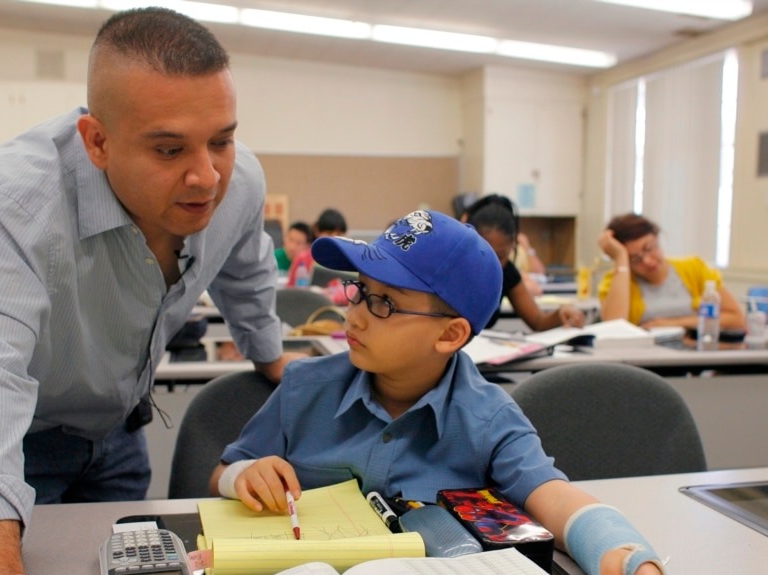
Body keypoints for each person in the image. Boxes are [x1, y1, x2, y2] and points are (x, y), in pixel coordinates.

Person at [0, 8, 301, 574]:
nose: (207, 176)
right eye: (169, 150)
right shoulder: (12, 202)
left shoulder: (238, 182)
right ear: (97, 142)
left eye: (222, 140)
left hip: (112, 422)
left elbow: (245, 267)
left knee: (114, 562)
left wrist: (271, 355)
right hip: (14, 428)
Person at [210, 210, 665, 575]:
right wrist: (244, 475)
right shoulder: (306, 386)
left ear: (450, 335)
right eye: (359, 291)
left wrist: (626, 558)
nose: (354, 317)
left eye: (382, 303)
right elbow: (223, 472)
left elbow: (555, 498)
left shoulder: (488, 416)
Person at [597, 212, 745, 329]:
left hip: (692, 356)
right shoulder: (616, 280)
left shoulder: (694, 268)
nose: (647, 261)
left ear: (656, 237)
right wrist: (621, 259)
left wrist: (673, 323)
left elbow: (737, 319)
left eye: (649, 248)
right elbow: (613, 326)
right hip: (644, 361)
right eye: (635, 259)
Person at [463, 195, 584, 331]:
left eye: (501, 256)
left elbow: (538, 321)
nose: (493, 264)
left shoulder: (507, 273)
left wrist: (560, 314)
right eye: (485, 254)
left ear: (512, 247)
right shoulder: (451, 269)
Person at [285, 208, 348, 288]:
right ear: (317, 231)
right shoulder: (303, 258)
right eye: (329, 233)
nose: (334, 238)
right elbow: (290, 289)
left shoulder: (347, 260)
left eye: (339, 234)